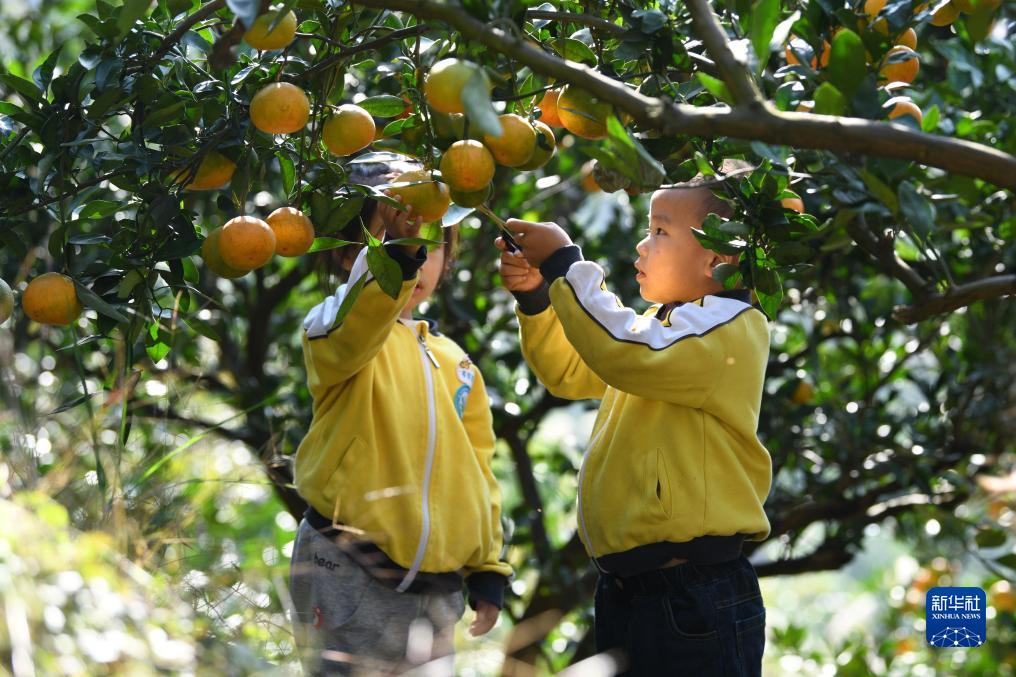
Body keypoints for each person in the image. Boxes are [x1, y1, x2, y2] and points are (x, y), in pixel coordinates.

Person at [496, 161, 771, 675]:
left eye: (660, 231)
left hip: (691, 592)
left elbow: (626, 353)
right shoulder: (664, 326)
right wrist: (538, 298)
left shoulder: (728, 328)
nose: (643, 245)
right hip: (633, 590)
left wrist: (565, 264)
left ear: (718, 256)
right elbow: (575, 371)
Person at [290, 157, 511, 675]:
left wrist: (487, 566)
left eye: (429, 244)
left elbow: (478, 466)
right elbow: (358, 323)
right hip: (346, 568)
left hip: (435, 590)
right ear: (349, 253)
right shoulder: (333, 325)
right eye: (393, 243)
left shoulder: (458, 363)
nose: (416, 259)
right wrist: (395, 257)